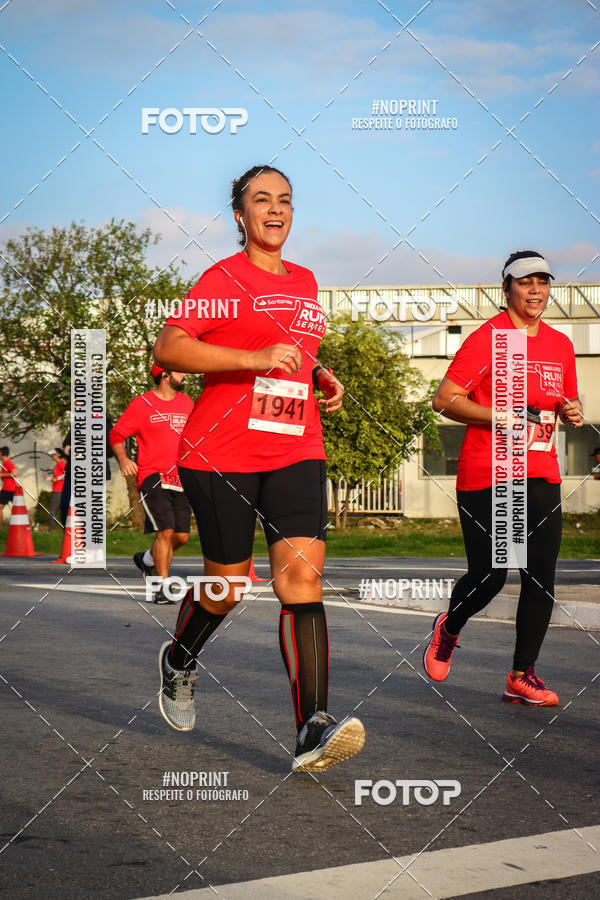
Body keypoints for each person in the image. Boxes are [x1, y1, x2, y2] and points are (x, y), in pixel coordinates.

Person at [152, 164, 365, 772]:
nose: (276, 209)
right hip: (221, 452)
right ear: (239, 215)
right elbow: (169, 349)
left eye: (286, 201)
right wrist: (252, 358)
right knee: (228, 585)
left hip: (295, 445)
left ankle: (312, 727)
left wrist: (319, 375)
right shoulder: (221, 278)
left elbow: (293, 356)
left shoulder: (305, 280)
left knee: (302, 579)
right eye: (261, 200)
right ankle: (179, 658)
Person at [423, 250, 584, 706]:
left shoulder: (559, 344)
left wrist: (571, 412)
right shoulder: (489, 339)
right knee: (492, 574)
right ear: (507, 289)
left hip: (539, 471)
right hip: (489, 473)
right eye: (525, 282)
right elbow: (445, 400)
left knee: (540, 578)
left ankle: (521, 675)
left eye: (543, 282)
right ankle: (449, 628)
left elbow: (564, 404)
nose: (536, 290)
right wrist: (501, 417)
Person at [110, 366, 194, 604]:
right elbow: (116, 435)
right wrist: (124, 459)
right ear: (165, 375)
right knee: (165, 531)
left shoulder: (187, 402)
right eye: (180, 371)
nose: (185, 375)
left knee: (182, 536)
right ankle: (162, 587)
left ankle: (147, 559)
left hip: (182, 476)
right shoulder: (141, 404)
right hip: (153, 475)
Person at [44, 448, 66, 531]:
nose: (52, 456)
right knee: (58, 510)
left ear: (58, 455)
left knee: (52, 510)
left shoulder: (61, 463)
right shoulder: (57, 465)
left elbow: (68, 473)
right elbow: (56, 478)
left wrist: (56, 479)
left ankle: (50, 530)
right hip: (57, 489)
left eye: (53, 454)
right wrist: (49, 478)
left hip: (59, 490)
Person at [0, 447, 17, 523]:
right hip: (11, 488)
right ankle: (33, 523)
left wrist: (2, 475)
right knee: (19, 507)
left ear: (0, 453)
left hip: (8, 489)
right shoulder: (5, 463)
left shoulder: (7, 462)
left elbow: (15, 473)